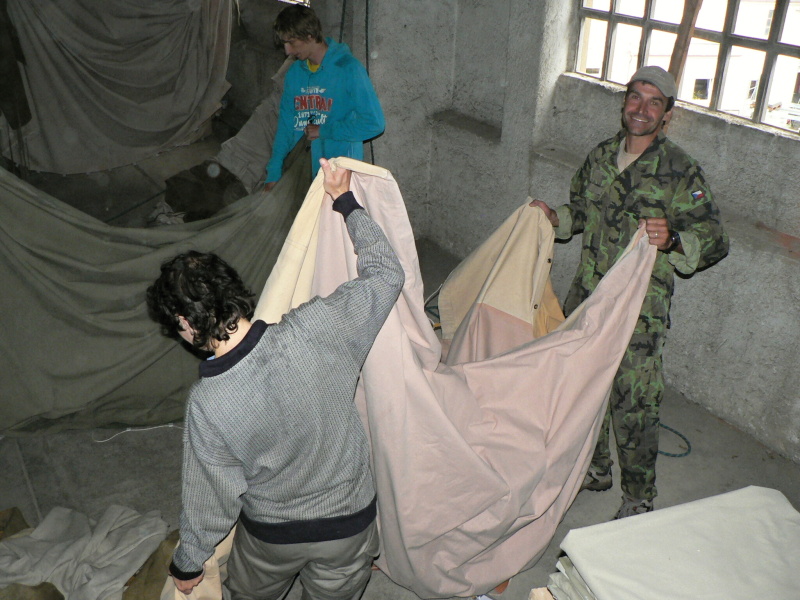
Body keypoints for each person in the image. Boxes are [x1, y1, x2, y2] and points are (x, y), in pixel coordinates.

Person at [147, 158, 404, 598]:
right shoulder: (321, 326)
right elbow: (386, 272)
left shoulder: (208, 403)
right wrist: (345, 201)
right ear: (233, 289)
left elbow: (210, 499)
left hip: (272, 538)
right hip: (350, 526)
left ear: (186, 324)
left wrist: (188, 561)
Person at [530, 66, 728, 519]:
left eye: (654, 102)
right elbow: (582, 209)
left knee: (634, 401)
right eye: (635, 97)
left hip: (640, 308)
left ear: (667, 114)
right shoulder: (602, 155)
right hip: (589, 294)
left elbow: (715, 239)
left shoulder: (679, 170)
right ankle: (595, 468)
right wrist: (555, 218)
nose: (642, 109)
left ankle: (638, 497)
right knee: (583, 386)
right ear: (624, 102)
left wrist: (673, 239)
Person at [264, 5, 385, 191]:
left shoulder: (349, 69)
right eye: (284, 44)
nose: (287, 51)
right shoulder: (294, 73)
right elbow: (286, 125)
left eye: (292, 42)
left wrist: (325, 131)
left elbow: (374, 124)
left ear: (310, 36)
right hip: (302, 173)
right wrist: (274, 171)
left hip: (339, 174)